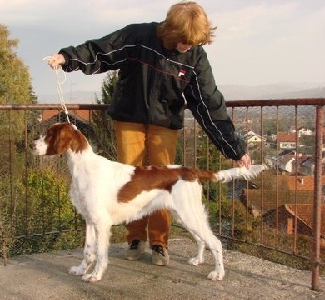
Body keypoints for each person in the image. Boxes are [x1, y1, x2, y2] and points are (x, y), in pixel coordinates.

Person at [47, 1, 251, 267]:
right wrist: (67, 58)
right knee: (129, 180)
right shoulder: (138, 37)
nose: (188, 47)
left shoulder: (196, 58)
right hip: (129, 118)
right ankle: (135, 239)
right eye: (184, 42)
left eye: (194, 43)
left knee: (162, 182)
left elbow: (209, 104)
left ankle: (159, 243)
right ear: (171, 32)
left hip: (165, 124)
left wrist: (235, 149)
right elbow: (102, 50)